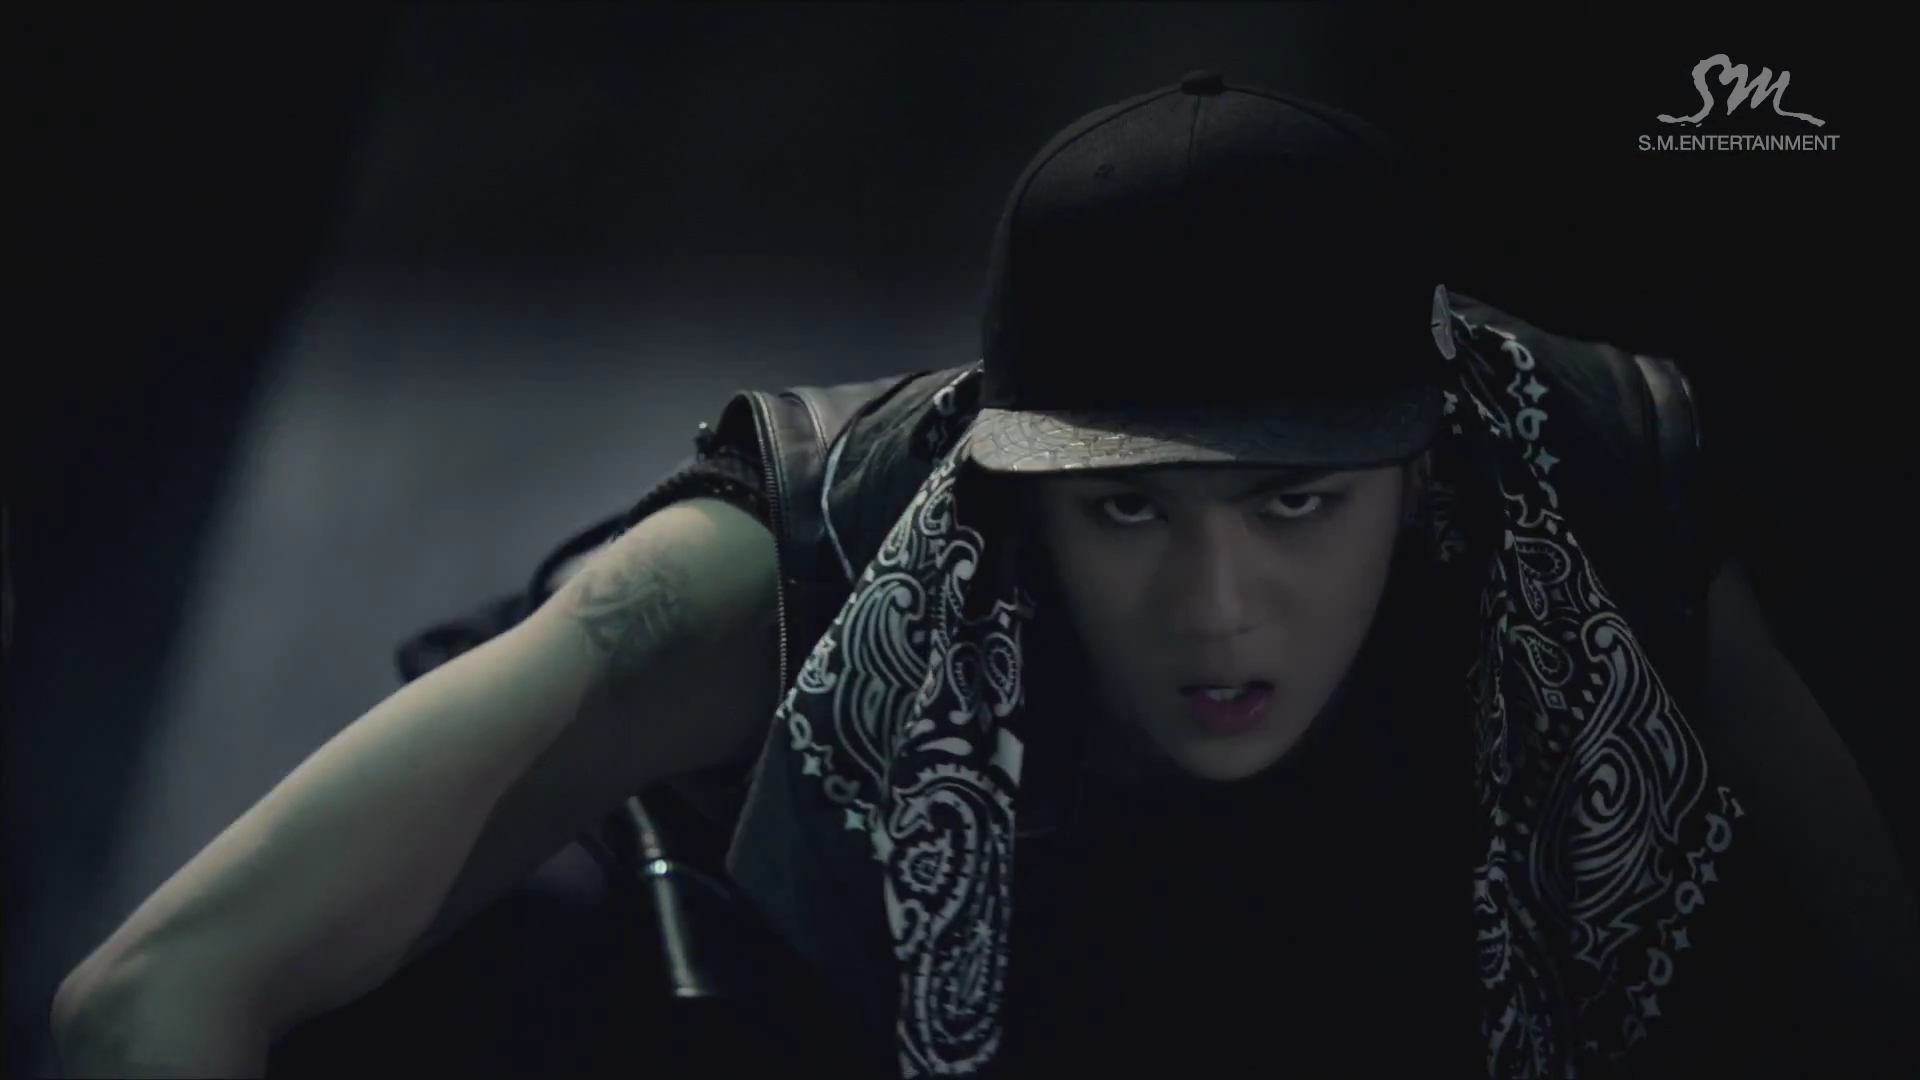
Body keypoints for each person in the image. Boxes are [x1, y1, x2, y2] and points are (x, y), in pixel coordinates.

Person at [51, 73, 1916, 1079]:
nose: (1215, 608)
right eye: (1127, 511)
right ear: (1008, 496)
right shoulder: (790, 571)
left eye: (1294, 505)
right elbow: (154, 990)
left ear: (1427, 486)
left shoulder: (1597, 518)